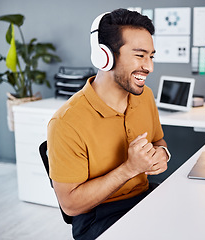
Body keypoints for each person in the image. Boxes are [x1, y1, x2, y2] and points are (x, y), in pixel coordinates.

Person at [47, 9, 170, 240]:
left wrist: (162, 153)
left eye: (151, 56)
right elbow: (71, 206)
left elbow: (158, 140)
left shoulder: (145, 96)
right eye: (139, 55)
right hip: (98, 216)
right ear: (105, 56)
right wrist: (129, 168)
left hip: (143, 197)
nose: (150, 67)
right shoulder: (66, 122)